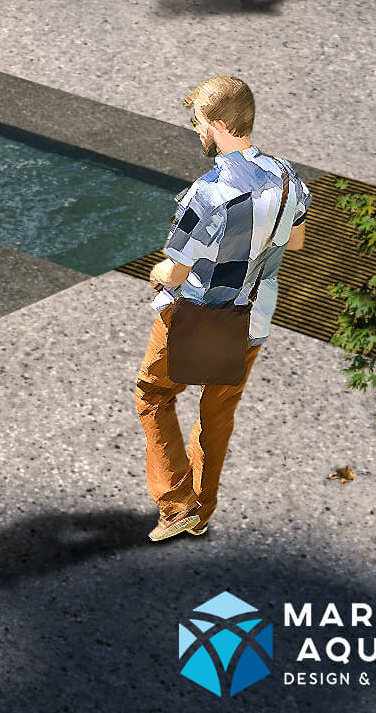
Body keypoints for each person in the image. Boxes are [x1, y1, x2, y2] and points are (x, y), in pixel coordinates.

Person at [136, 77, 309, 543]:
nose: (197, 132)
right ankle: (202, 509)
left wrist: (157, 272)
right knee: (217, 411)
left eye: (198, 123)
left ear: (218, 124)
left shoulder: (209, 191)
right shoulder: (287, 175)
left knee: (154, 394)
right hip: (253, 316)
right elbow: (296, 240)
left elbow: (176, 270)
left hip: (199, 316)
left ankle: (177, 507)